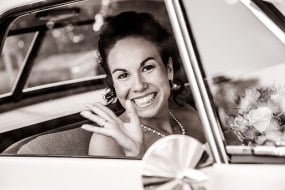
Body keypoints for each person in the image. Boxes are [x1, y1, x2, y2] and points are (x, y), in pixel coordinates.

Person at [80, 11, 205, 158]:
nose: (139, 86)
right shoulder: (107, 141)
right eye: (123, 75)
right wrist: (135, 154)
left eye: (147, 68)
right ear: (114, 84)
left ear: (168, 69)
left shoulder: (190, 116)